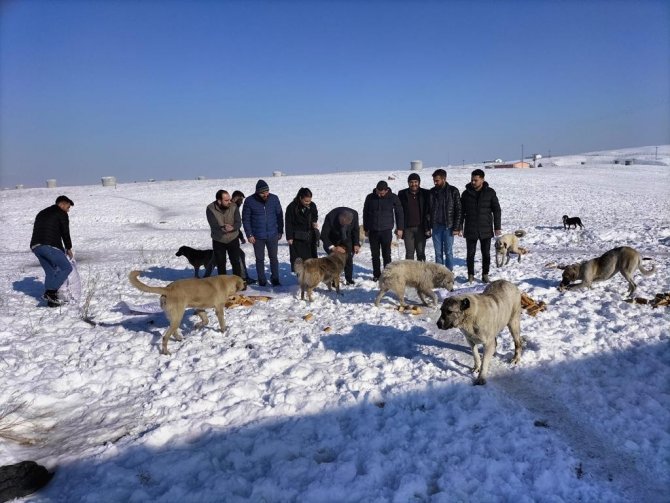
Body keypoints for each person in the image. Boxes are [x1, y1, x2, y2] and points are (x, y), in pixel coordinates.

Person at [30, 195, 75, 307]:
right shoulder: (61, 213)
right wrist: (68, 248)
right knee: (67, 267)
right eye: (68, 207)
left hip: (36, 246)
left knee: (51, 272)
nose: (68, 210)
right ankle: (50, 293)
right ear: (62, 204)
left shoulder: (41, 213)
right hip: (49, 245)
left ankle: (52, 301)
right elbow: (65, 232)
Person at [459, 168, 502, 283]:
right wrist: (459, 227)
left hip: (486, 228)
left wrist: (497, 227)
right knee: (470, 254)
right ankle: (470, 274)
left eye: (476, 180)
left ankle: (485, 274)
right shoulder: (466, 193)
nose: (473, 182)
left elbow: (497, 210)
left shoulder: (490, 192)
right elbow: (461, 212)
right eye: (472, 180)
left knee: (486, 254)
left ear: (482, 180)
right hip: (470, 228)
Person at [242, 179, 284, 287]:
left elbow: (279, 216)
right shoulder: (249, 201)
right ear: (257, 192)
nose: (266, 194)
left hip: (272, 234)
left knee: (274, 258)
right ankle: (262, 279)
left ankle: (275, 278)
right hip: (257, 236)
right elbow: (246, 219)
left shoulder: (274, 198)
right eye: (263, 193)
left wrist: (280, 230)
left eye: (267, 192)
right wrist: (249, 235)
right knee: (259, 259)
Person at [363, 180, 404, 281]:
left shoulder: (393, 197)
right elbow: (365, 213)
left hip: (386, 230)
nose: (380, 195)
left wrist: (400, 228)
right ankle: (376, 274)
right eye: (378, 192)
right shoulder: (370, 197)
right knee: (375, 254)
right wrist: (366, 228)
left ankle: (387, 274)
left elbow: (399, 213)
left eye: (382, 193)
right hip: (373, 230)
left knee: (387, 254)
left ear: (386, 190)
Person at [429, 168, 462, 270]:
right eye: (434, 180)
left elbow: (458, 210)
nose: (435, 182)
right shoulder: (432, 192)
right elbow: (428, 210)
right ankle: (439, 274)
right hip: (436, 226)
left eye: (437, 180)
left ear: (444, 179)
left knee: (448, 252)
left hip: (449, 227)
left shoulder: (453, 191)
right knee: (438, 252)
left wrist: (457, 227)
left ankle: (449, 274)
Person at [320, 207, 361, 285]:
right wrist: (333, 248)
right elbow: (323, 235)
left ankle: (349, 279)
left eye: (347, 224)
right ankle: (333, 280)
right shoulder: (330, 217)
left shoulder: (354, 214)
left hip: (347, 238)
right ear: (340, 218)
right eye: (343, 224)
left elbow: (355, 230)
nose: (344, 226)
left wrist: (356, 244)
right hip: (332, 239)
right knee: (333, 260)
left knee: (348, 257)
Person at [206, 189, 242, 277]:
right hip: (218, 240)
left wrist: (233, 228)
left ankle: (238, 282)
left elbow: (238, 222)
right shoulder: (210, 208)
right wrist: (223, 228)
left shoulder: (234, 206)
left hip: (233, 239)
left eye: (229, 199)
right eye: (226, 200)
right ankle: (223, 285)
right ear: (219, 201)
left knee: (235, 262)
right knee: (221, 263)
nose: (229, 202)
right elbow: (213, 225)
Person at [398, 173, 431, 261]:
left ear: (419, 182)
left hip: (421, 227)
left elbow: (430, 210)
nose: (414, 184)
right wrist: (399, 228)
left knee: (421, 252)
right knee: (409, 253)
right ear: (408, 183)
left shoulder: (426, 193)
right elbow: (399, 212)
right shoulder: (402, 194)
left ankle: (421, 273)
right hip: (407, 228)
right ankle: (410, 274)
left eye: (416, 182)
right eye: (411, 182)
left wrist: (428, 226)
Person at [285, 187, 319, 272]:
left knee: (311, 260)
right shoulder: (291, 207)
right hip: (297, 239)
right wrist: (289, 237)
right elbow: (288, 223)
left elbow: (315, 215)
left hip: (309, 237)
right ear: (300, 198)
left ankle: (310, 277)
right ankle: (301, 278)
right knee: (299, 261)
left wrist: (314, 221)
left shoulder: (312, 205)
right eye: (306, 201)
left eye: (309, 201)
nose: (308, 203)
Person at [231, 191, 257, 284]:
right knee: (240, 255)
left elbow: (236, 225)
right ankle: (243, 278)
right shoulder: (232, 208)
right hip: (229, 238)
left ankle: (207, 274)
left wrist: (241, 236)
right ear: (235, 198)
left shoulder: (235, 207)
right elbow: (233, 224)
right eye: (240, 199)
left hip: (231, 236)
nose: (242, 202)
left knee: (215, 258)